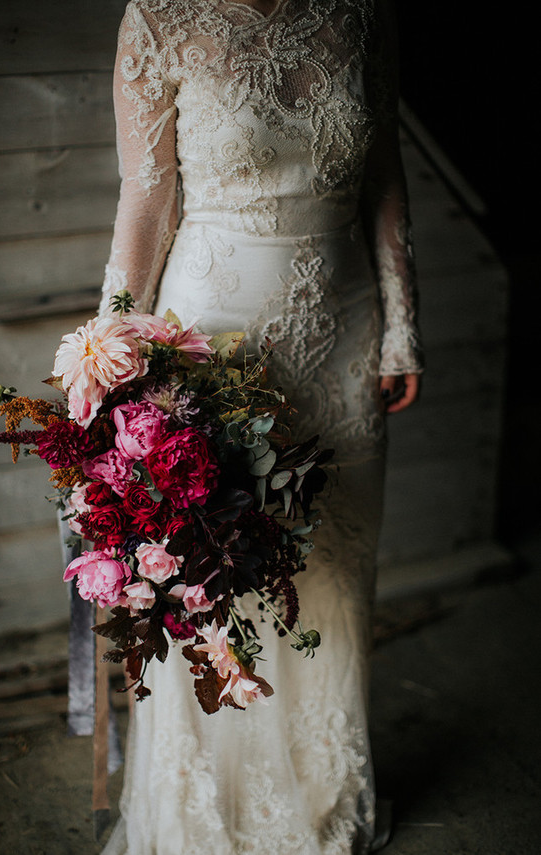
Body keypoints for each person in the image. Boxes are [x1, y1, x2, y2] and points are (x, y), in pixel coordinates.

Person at [99, 1, 423, 852]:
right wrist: (111, 351)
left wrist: (401, 323)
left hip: (344, 333)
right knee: (215, 570)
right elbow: (146, 199)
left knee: (333, 565)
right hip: (214, 337)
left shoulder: (361, 12)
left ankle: (319, 788)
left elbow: (384, 172)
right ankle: (211, 807)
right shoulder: (160, 18)